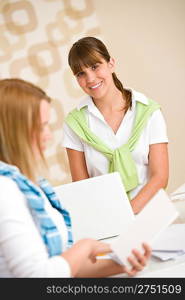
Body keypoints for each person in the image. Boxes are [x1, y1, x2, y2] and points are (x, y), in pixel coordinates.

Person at [0, 78, 151, 278]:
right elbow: (36, 277)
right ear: (15, 131)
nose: (48, 136)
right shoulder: (5, 191)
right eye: (42, 126)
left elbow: (62, 268)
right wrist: (86, 247)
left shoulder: (27, 184)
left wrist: (121, 264)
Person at [62, 36, 169, 214]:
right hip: (105, 219)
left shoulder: (149, 112)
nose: (90, 79)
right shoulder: (74, 124)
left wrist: (126, 213)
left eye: (95, 67)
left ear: (111, 63)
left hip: (151, 214)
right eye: (81, 73)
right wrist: (111, 221)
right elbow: (82, 187)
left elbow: (160, 177)